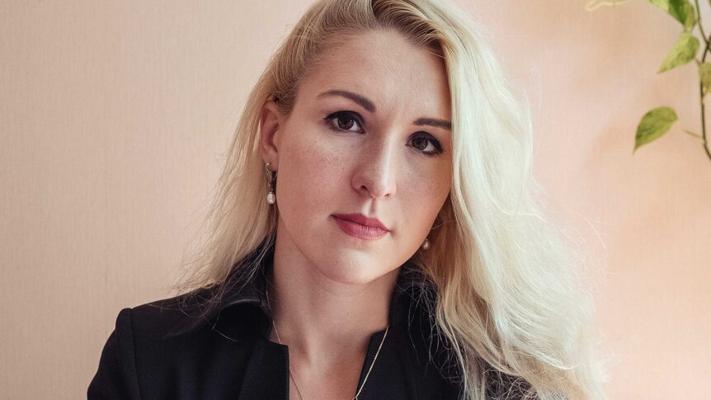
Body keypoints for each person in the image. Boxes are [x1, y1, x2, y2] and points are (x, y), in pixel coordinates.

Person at [87, 0, 607, 399]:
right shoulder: (150, 359)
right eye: (346, 121)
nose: (378, 180)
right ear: (273, 135)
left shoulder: (505, 387)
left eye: (424, 143)